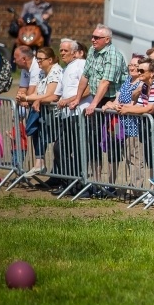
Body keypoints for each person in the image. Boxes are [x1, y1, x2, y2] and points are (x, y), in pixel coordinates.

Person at [70, 24, 127, 193]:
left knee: (113, 142)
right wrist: (78, 99)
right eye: (92, 37)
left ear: (107, 40)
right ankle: (94, 182)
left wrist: (94, 104)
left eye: (97, 37)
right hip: (98, 100)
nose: (93, 40)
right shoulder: (93, 53)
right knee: (93, 140)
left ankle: (111, 184)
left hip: (113, 102)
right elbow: (85, 76)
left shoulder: (113, 55)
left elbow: (106, 82)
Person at [118, 57, 154, 193]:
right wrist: (120, 106)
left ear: (152, 73)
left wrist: (127, 109)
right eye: (138, 70)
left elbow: (150, 108)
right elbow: (138, 106)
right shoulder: (145, 86)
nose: (138, 72)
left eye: (141, 70)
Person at [50, 39, 92, 195]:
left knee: (78, 151)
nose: (61, 53)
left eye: (65, 51)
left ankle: (79, 185)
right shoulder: (65, 68)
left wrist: (70, 101)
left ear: (74, 52)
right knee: (60, 148)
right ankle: (68, 182)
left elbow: (89, 88)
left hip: (79, 114)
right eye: (60, 50)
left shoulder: (81, 64)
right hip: (67, 115)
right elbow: (58, 94)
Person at [102, 54, 144, 193]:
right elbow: (118, 99)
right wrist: (110, 104)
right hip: (122, 126)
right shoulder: (127, 81)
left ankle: (137, 189)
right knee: (127, 157)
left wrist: (122, 107)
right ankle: (131, 186)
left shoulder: (141, 83)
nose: (132, 68)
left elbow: (135, 103)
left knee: (135, 159)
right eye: (130, 65)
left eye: (135, 66)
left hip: (135, 126)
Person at [18, 47, 62, 177]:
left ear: (50, 60)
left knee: (56, 145)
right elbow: (38, 92)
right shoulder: (43, 72)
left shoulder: (55, 72)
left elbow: (50, 94)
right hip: (43, 111)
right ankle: (39, 163)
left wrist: (27, 98)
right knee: (36, 133)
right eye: (37, 59)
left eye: (41, 59)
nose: (38, 62)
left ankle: (57, 174)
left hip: (55, 113)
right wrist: (27, 97)